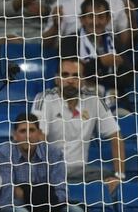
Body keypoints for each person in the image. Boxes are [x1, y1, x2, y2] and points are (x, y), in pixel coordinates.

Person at [31, 57, 125, 185]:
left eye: (76, 76)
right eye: (65, 75)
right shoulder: (44, 99)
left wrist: (119, 176)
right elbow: (39, 140)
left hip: (82, 173)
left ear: (83, 81)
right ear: (57, 79)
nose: (70, 80)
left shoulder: (94, 100)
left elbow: (116, 136)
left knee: (107, 177)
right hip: (51, 171)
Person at [0, 112, 81, 212]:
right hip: (17, 208)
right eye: (22, 131)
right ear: (14, 135)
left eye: (32, 130)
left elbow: (61, 194)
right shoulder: (4, 153)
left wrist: (25, 192)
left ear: (39, 133)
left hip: (49, 206)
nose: (28, 136)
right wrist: (45, 192)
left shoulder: (53, 153)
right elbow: (7, 199)